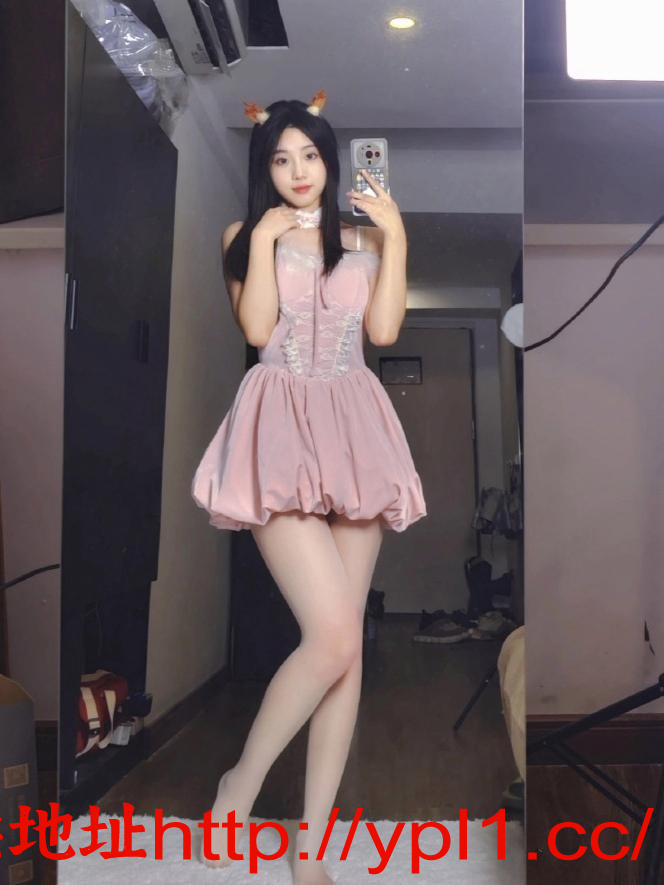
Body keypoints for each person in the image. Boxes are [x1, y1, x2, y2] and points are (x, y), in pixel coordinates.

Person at [191, 90, 427, 883]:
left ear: (332, 159)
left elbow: (384, 332)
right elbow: (258, 330)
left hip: (355, 429)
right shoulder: (241, 236)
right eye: (281, 159)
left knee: (346, 648)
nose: (298, 171)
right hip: (278, 429)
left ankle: (312, 846)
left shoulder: (366, 237)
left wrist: (396, 237)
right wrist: (264, 238)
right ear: (265, 169)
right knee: (330, 635)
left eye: (311, 155)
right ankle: (239, 786)